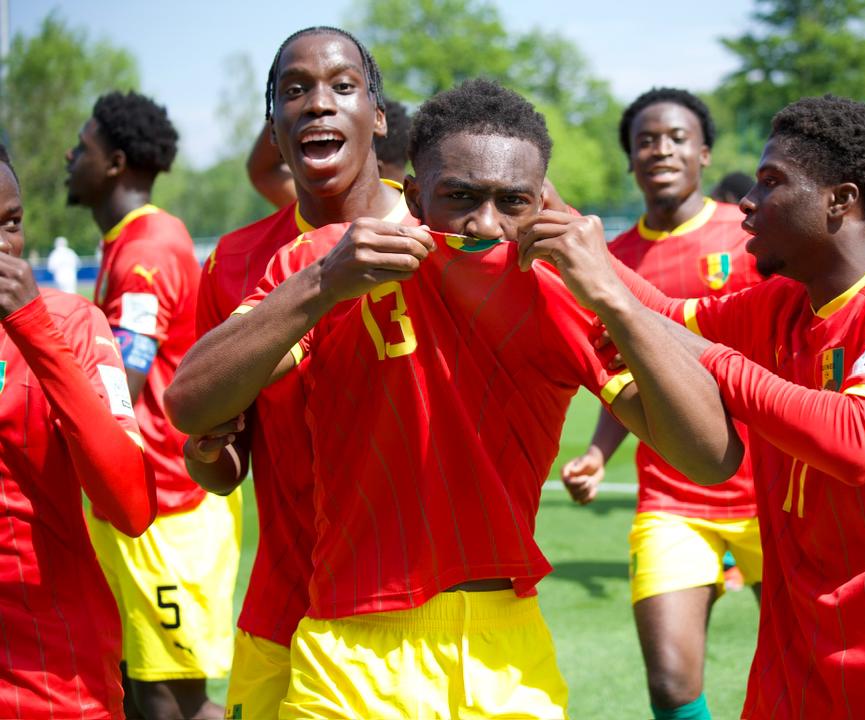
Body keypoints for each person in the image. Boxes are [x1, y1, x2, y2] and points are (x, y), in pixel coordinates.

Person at [166, 78, 739, 719]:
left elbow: (711, 457)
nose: (485, 224)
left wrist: (613, 295)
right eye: (460, 197)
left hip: (506, 646)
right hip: (354, 652)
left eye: (512, 202)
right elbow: (188, 404)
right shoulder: (333, 260)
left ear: (542, 204)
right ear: (413, 194)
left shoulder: (560, 292)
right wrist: (322, 286)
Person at [519, 94, 865, 719]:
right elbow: (666, 319)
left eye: (772, 182)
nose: (747, 200)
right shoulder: (779, 306)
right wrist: (560, 219)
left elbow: (860, 441)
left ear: (841, 199)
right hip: (796, 668)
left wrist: (715, 360)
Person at [186, 26, 408, 720]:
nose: (317, 104)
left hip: (405, 617)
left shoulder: (436, 231)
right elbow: (223, 462)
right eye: (294, 91)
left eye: (343, 87)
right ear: (273, 130)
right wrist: (207, 449)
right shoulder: (234, 261)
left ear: (377, 117)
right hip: (280, 611)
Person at [559, 87, 762, 720]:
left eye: (677, 137)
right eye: (646, 140)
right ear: (630, 160)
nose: (661, 149)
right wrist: (597, 451)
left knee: (806, 661)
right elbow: (627, 375)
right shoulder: (610, 260)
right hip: (672, 499)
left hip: (773, 494)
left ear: (704, 153)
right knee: (671, 686)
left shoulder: (751, 236)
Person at [65, 90, 241, 720]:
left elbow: (120, 389)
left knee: (175, 701)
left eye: (80, 147)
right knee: (138, 689)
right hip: (138, 503)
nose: (68, 157)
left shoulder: (146, 250)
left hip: (167, 507)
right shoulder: (128, 240)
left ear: (114, 162)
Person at [0, 144, 156, 718]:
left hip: (53, 683)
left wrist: (33, 332)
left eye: (11, 223)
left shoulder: (68, 322)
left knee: (172, 694)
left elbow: (132, 505)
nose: (3, 247)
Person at [247, 96, 411, 208]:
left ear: (377, 168)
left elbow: (262, 172)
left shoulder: (328, 211)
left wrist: (293, 99)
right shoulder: (424, 211)